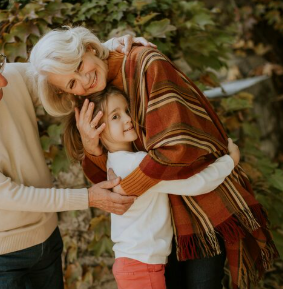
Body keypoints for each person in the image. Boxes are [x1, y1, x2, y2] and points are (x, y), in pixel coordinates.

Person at [29, 26, 279, 289]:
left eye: (80, 65)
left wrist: (129, 185)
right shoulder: (93, 98)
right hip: (157, 224)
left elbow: (176, 149)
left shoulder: (146, 63)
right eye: (71, 83)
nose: (84, 80)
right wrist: (92, 148)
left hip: (199, 206)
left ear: (90, 48)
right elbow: (107, 179)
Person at [0, 35, 152, 289]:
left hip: (47, 241)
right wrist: (88, 198)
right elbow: (8, 195)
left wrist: (108, 46)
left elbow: (60, 70)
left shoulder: (11, 78)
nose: (4, 79)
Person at [63, 86, 240, 289]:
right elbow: (196, 183)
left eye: (127, 111)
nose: (128, 119)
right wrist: (230, 162)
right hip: (142, 266)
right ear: (98, 132)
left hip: (133, 263)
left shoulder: (115, 162)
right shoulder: (138, 164)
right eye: (115, 117)